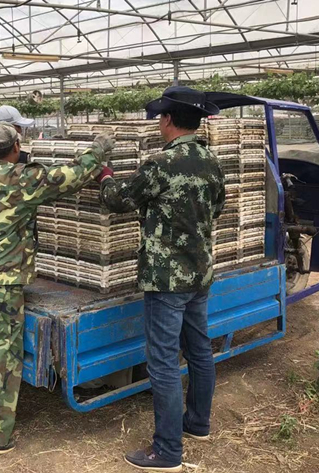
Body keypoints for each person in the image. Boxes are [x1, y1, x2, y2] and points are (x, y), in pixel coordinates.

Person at [0, 122, 115, 455]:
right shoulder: (21, 180)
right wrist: (99, 150)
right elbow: (71, 176)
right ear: (15, 147)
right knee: (2, 356)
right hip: (1, 284)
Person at [98, 86, 226, 472]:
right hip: (199, 272)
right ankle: (198, 424)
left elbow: (119, 199)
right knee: (199, 350)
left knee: (164, 362)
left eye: (160, 117)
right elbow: (217, 208)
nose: (158, 123)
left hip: (167, 279)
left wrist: (105, 175)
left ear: (168, 120)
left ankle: (168, 451)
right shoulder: (211, 161)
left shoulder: (161, 164)